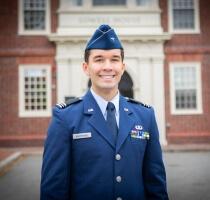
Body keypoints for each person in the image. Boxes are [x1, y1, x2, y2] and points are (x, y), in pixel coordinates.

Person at [40, 24, 169, 200]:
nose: (107, 67)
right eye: (99, 59)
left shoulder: (145, 116)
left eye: (114, 59)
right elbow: (53, 191)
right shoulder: (65, 118)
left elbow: (156, 185)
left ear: (122, 67)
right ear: (86, 68)